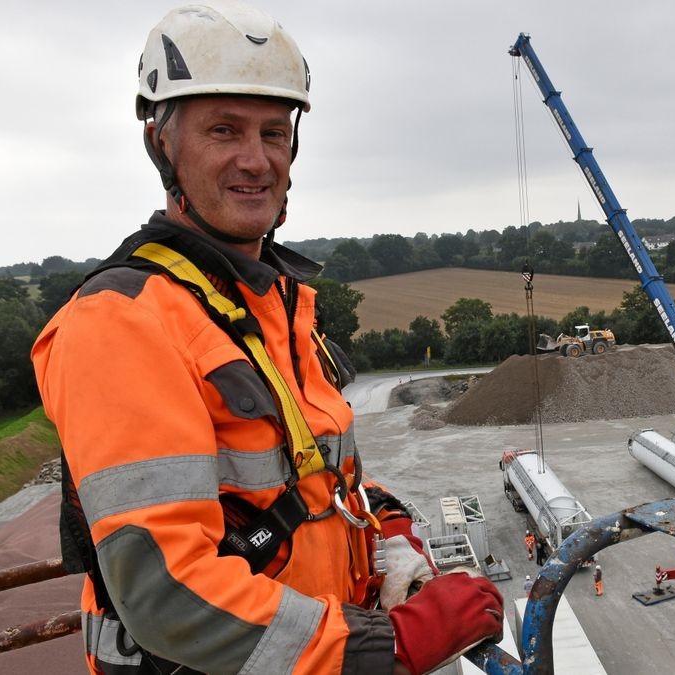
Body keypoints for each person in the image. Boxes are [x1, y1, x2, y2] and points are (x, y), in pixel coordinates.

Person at [31, 2, 502, 673]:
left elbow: (313, 483)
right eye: (224, 130)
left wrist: (386, 531)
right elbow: (167, 590)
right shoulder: (122, 322)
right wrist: (386, 646)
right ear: (161, 141)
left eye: (274, 133)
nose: (256, 160)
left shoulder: (271, 304)